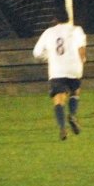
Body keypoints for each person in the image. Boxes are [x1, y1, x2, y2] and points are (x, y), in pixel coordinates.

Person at [33, 8, 87, 140]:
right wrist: (83, 61)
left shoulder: (48, 32)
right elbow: (82, 49)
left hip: (57, 70)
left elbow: (37, 53)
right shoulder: (77, 30)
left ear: (54, 20)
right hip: (74, 67)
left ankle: (63, 128)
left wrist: (49, 57)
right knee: (75, 92)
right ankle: (73, 115)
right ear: (69, 18)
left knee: (58, 99)